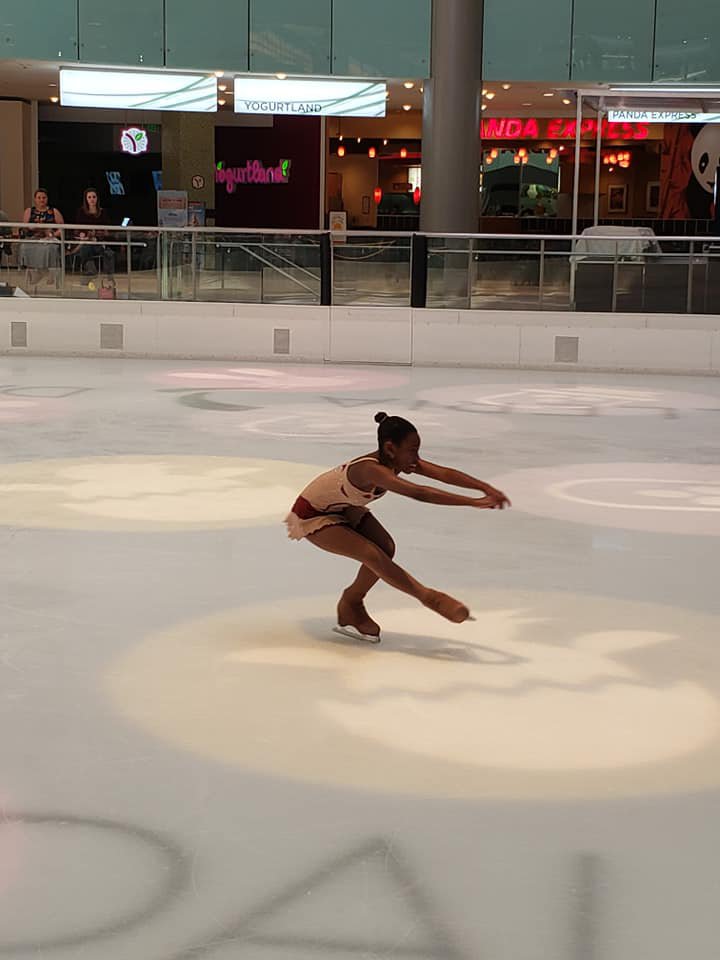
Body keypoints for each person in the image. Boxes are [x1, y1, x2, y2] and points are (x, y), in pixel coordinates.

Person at [285, 412, 511, 642]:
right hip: (313, 514)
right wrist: (472, 502)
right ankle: (429, 597)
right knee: (371, 554)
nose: (417, 457)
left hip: (344, 507)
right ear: (391, 448)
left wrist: (485, 488)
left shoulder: (399, 461)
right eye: (412, 450)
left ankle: (351, 603)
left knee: (386, 547)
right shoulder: (370, 469)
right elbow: (419, 493)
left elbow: (444, 473)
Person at [20, 189, 64, 285]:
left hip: (49, 238)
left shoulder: (54, 211)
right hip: (33, 237)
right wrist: (31, 228)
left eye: (44, 197)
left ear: (47, 199)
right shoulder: (29, 211)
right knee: (25, 247)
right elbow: (24, 228)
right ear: (35, 199)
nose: (41, 200)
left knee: (50, 248)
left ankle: (49, 272)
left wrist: (52, 235)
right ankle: (35, 272)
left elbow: (62, 229)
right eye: (39, 198)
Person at [72, 187, 115, 276]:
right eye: (89, 197)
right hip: (85, 241)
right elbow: (77, 229)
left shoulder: (103, 212)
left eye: (94, 197)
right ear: (86, 199)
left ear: (97, 198)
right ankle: (91, 270)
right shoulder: (81, 211)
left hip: (98, 242)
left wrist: (97, 233)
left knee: (91, 248)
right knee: (85, 247)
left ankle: (102, 274)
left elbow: (107, 230)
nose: (92, 199)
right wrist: (83, 234)